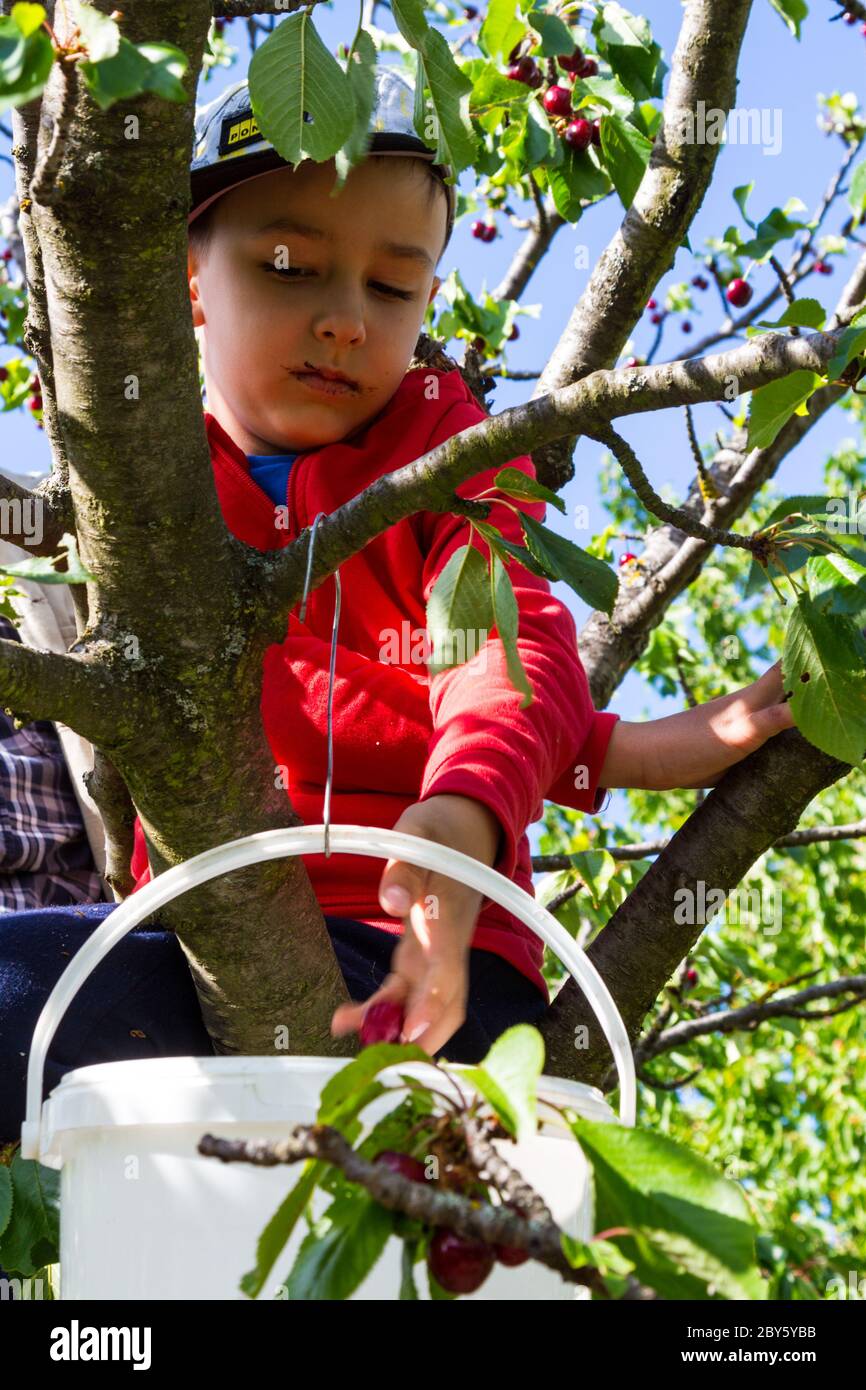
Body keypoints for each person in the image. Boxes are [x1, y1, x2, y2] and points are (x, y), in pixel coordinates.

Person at [0, 66, 794, 1142]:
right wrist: (620, 751)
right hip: (198, 946)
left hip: (426, 964)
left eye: (389, 289)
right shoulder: (147, 495)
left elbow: (495, 650)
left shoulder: (439, 455)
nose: (341, 321)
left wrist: (464, 814)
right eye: (287, 266)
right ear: (189, 282)